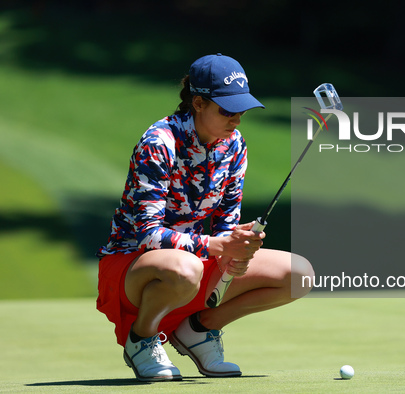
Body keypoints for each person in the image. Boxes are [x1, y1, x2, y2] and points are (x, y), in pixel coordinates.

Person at [96, 53, 314, 382]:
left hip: (195, 260)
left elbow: (226, 221)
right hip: (131, 264)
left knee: (301, 274)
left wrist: (236, 248)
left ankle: (200, 329)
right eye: (227, 110)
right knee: (187, 266)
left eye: (241, 110)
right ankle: (141, 338)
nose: (237, 119)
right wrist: (216, 245)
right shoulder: (159, 143)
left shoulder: (234, 145)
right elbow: (148, 235)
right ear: (198, 103)